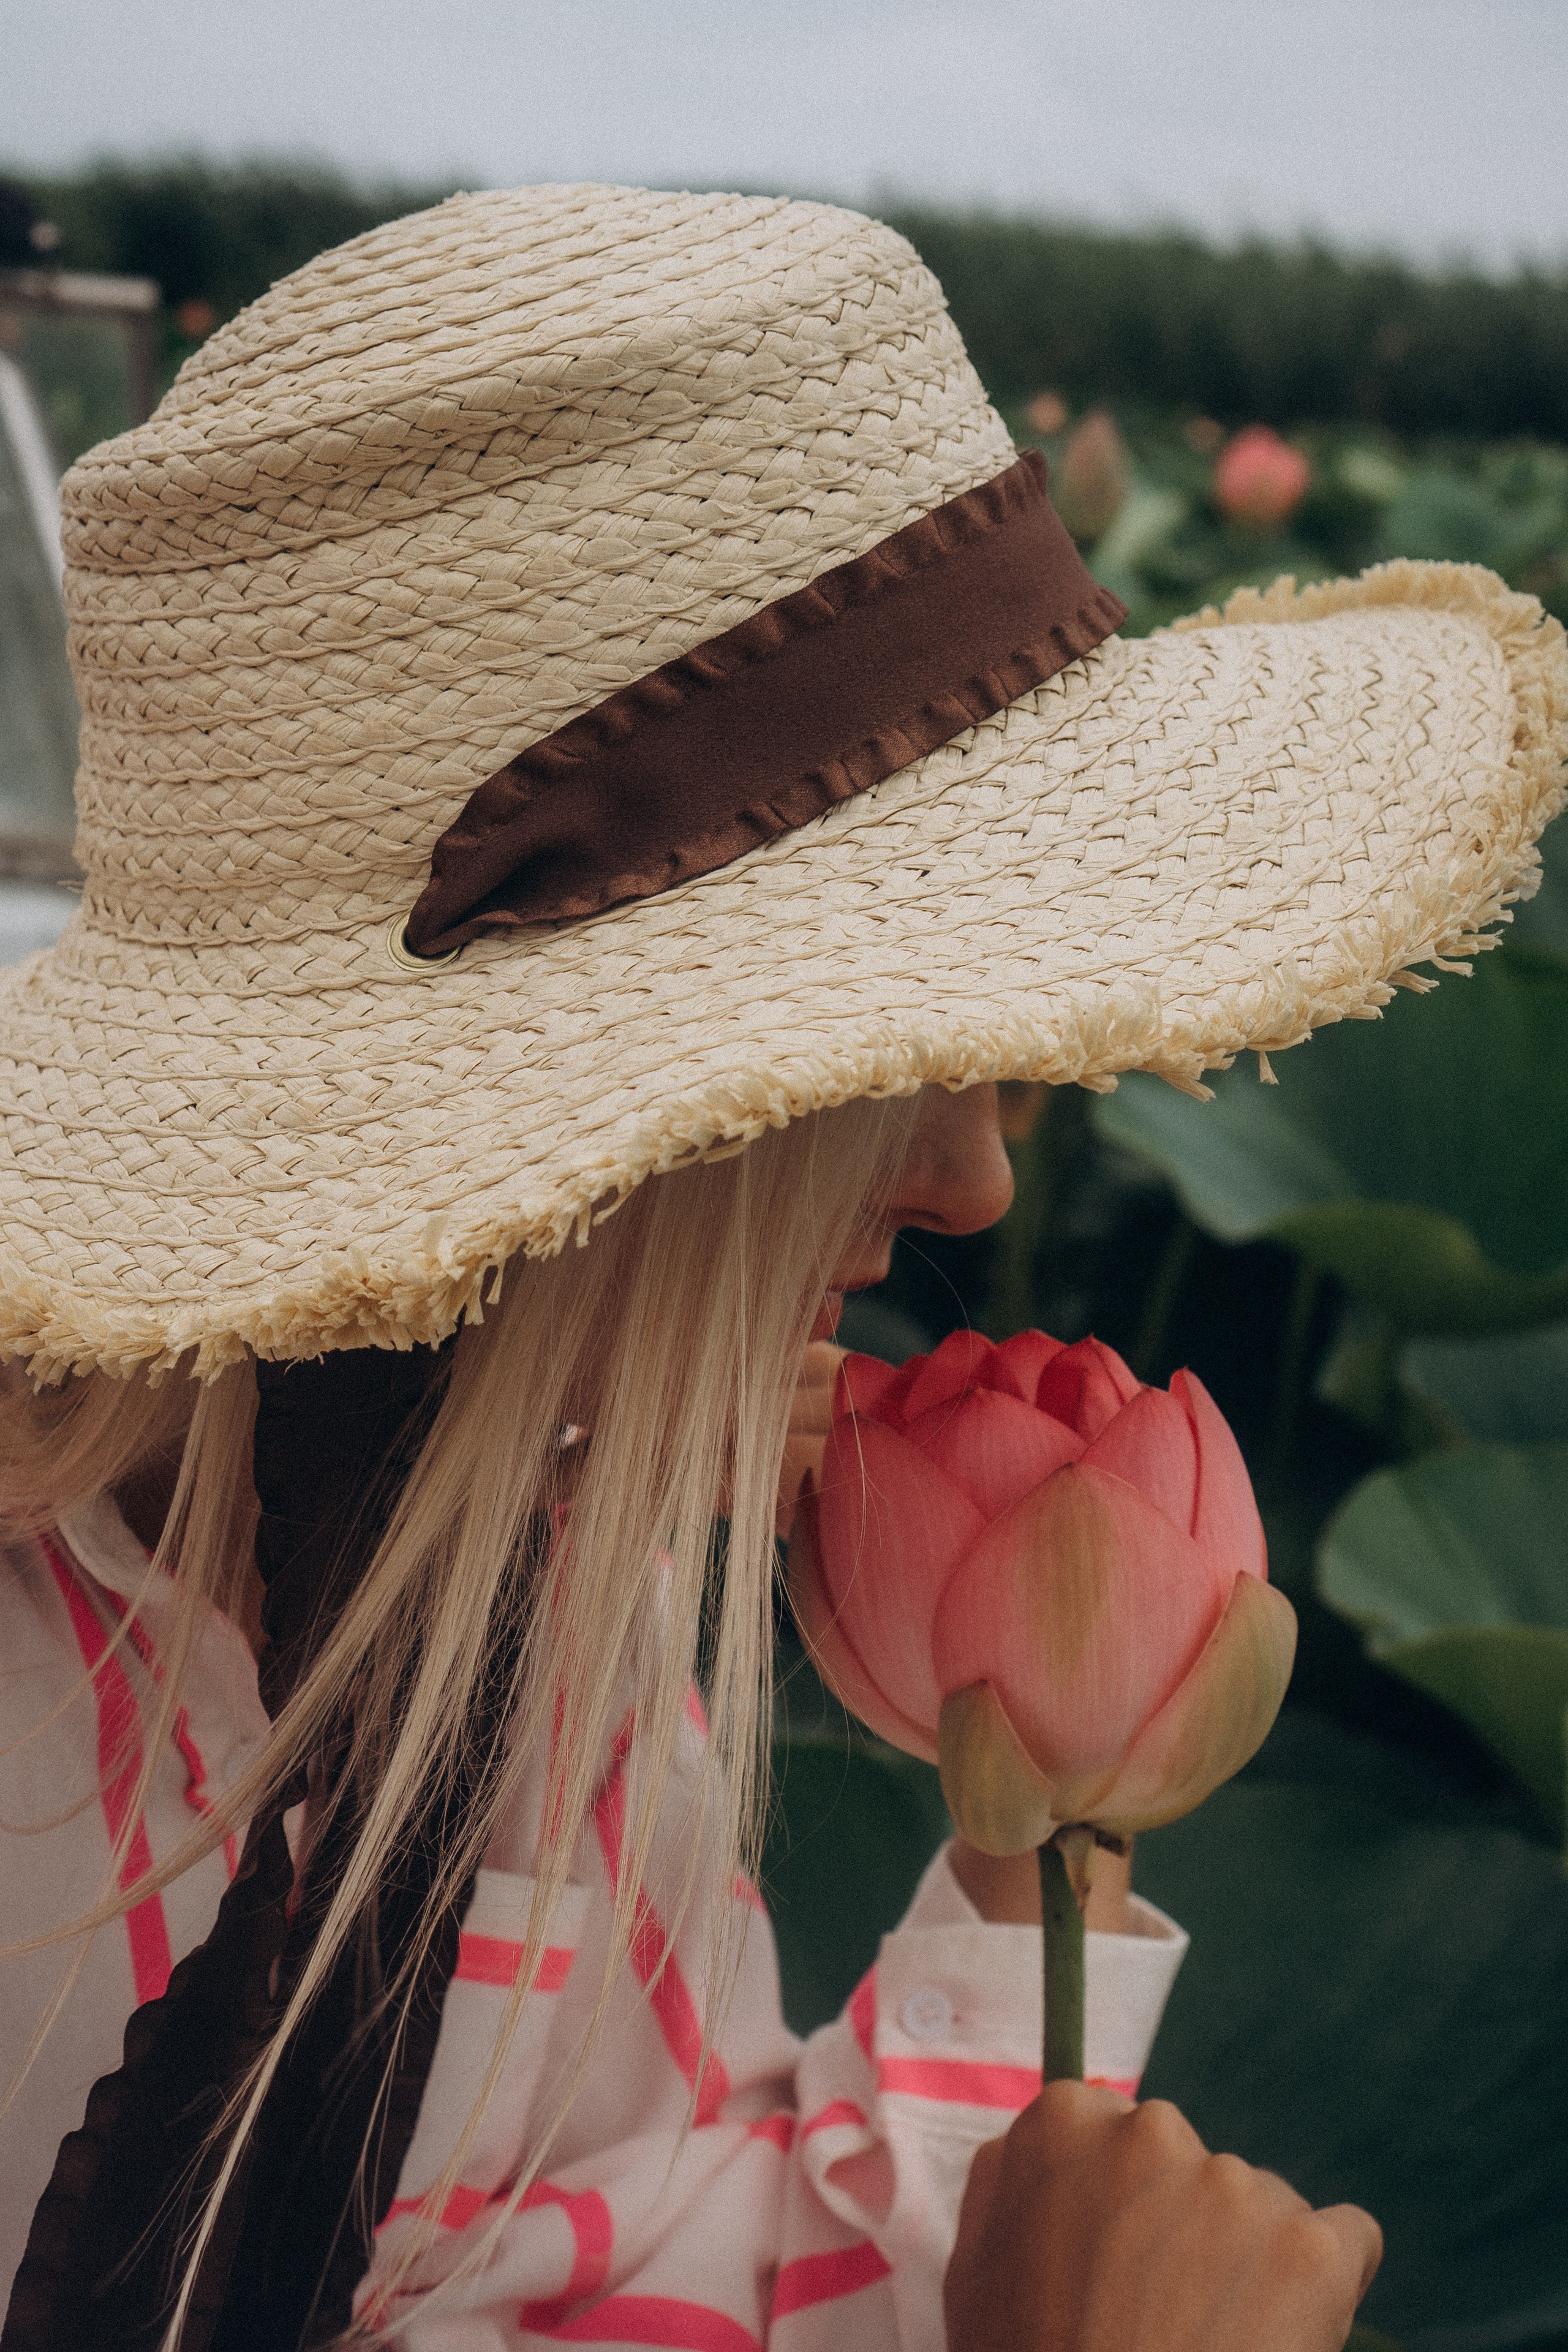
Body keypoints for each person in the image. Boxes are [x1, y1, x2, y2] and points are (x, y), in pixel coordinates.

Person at [0, 182, 1559, 2352]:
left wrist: (1033, 1869)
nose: (977, 1187)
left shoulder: (528, 1541)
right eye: (877, 1048)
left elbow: (649, 2246)